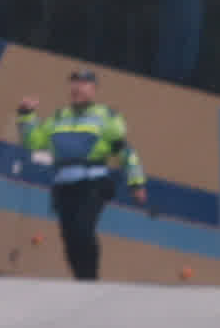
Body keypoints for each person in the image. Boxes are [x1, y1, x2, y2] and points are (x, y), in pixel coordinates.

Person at [23, 72, 137, 279]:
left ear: (94, 90)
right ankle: (81, 280)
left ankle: (90, 277)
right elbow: (34, 142)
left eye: (84, 84)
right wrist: (26, 116)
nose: (77, 88)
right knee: (69, 237)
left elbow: (124, 151)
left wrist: (137, 182)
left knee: (83, 230)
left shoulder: (106, 117)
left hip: (93, 183)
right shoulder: (59, 117)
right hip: (65, 187)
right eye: (74, 84)